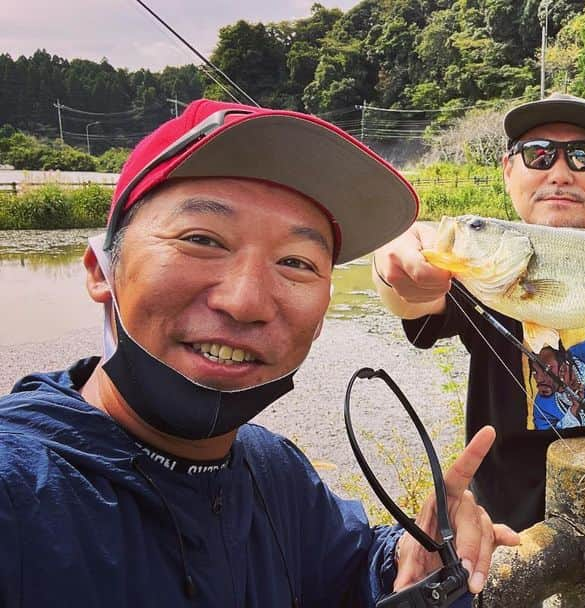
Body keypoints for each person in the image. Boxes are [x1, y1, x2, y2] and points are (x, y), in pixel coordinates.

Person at [0, 99, 518, 607]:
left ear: (321, 317)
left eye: (295, 262)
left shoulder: (274, 474)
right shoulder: (18, 490)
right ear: (99, 270)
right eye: (202, 239)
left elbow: (350, 570)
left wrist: (411, 559)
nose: (245, 301)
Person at [371, 93, 585, 534]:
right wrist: (389, 264)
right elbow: (409, 296)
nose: (560, 173)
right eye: (537, 154)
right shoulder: (483, 270)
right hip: (508, 533)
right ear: (509, 171)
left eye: (583, 155)